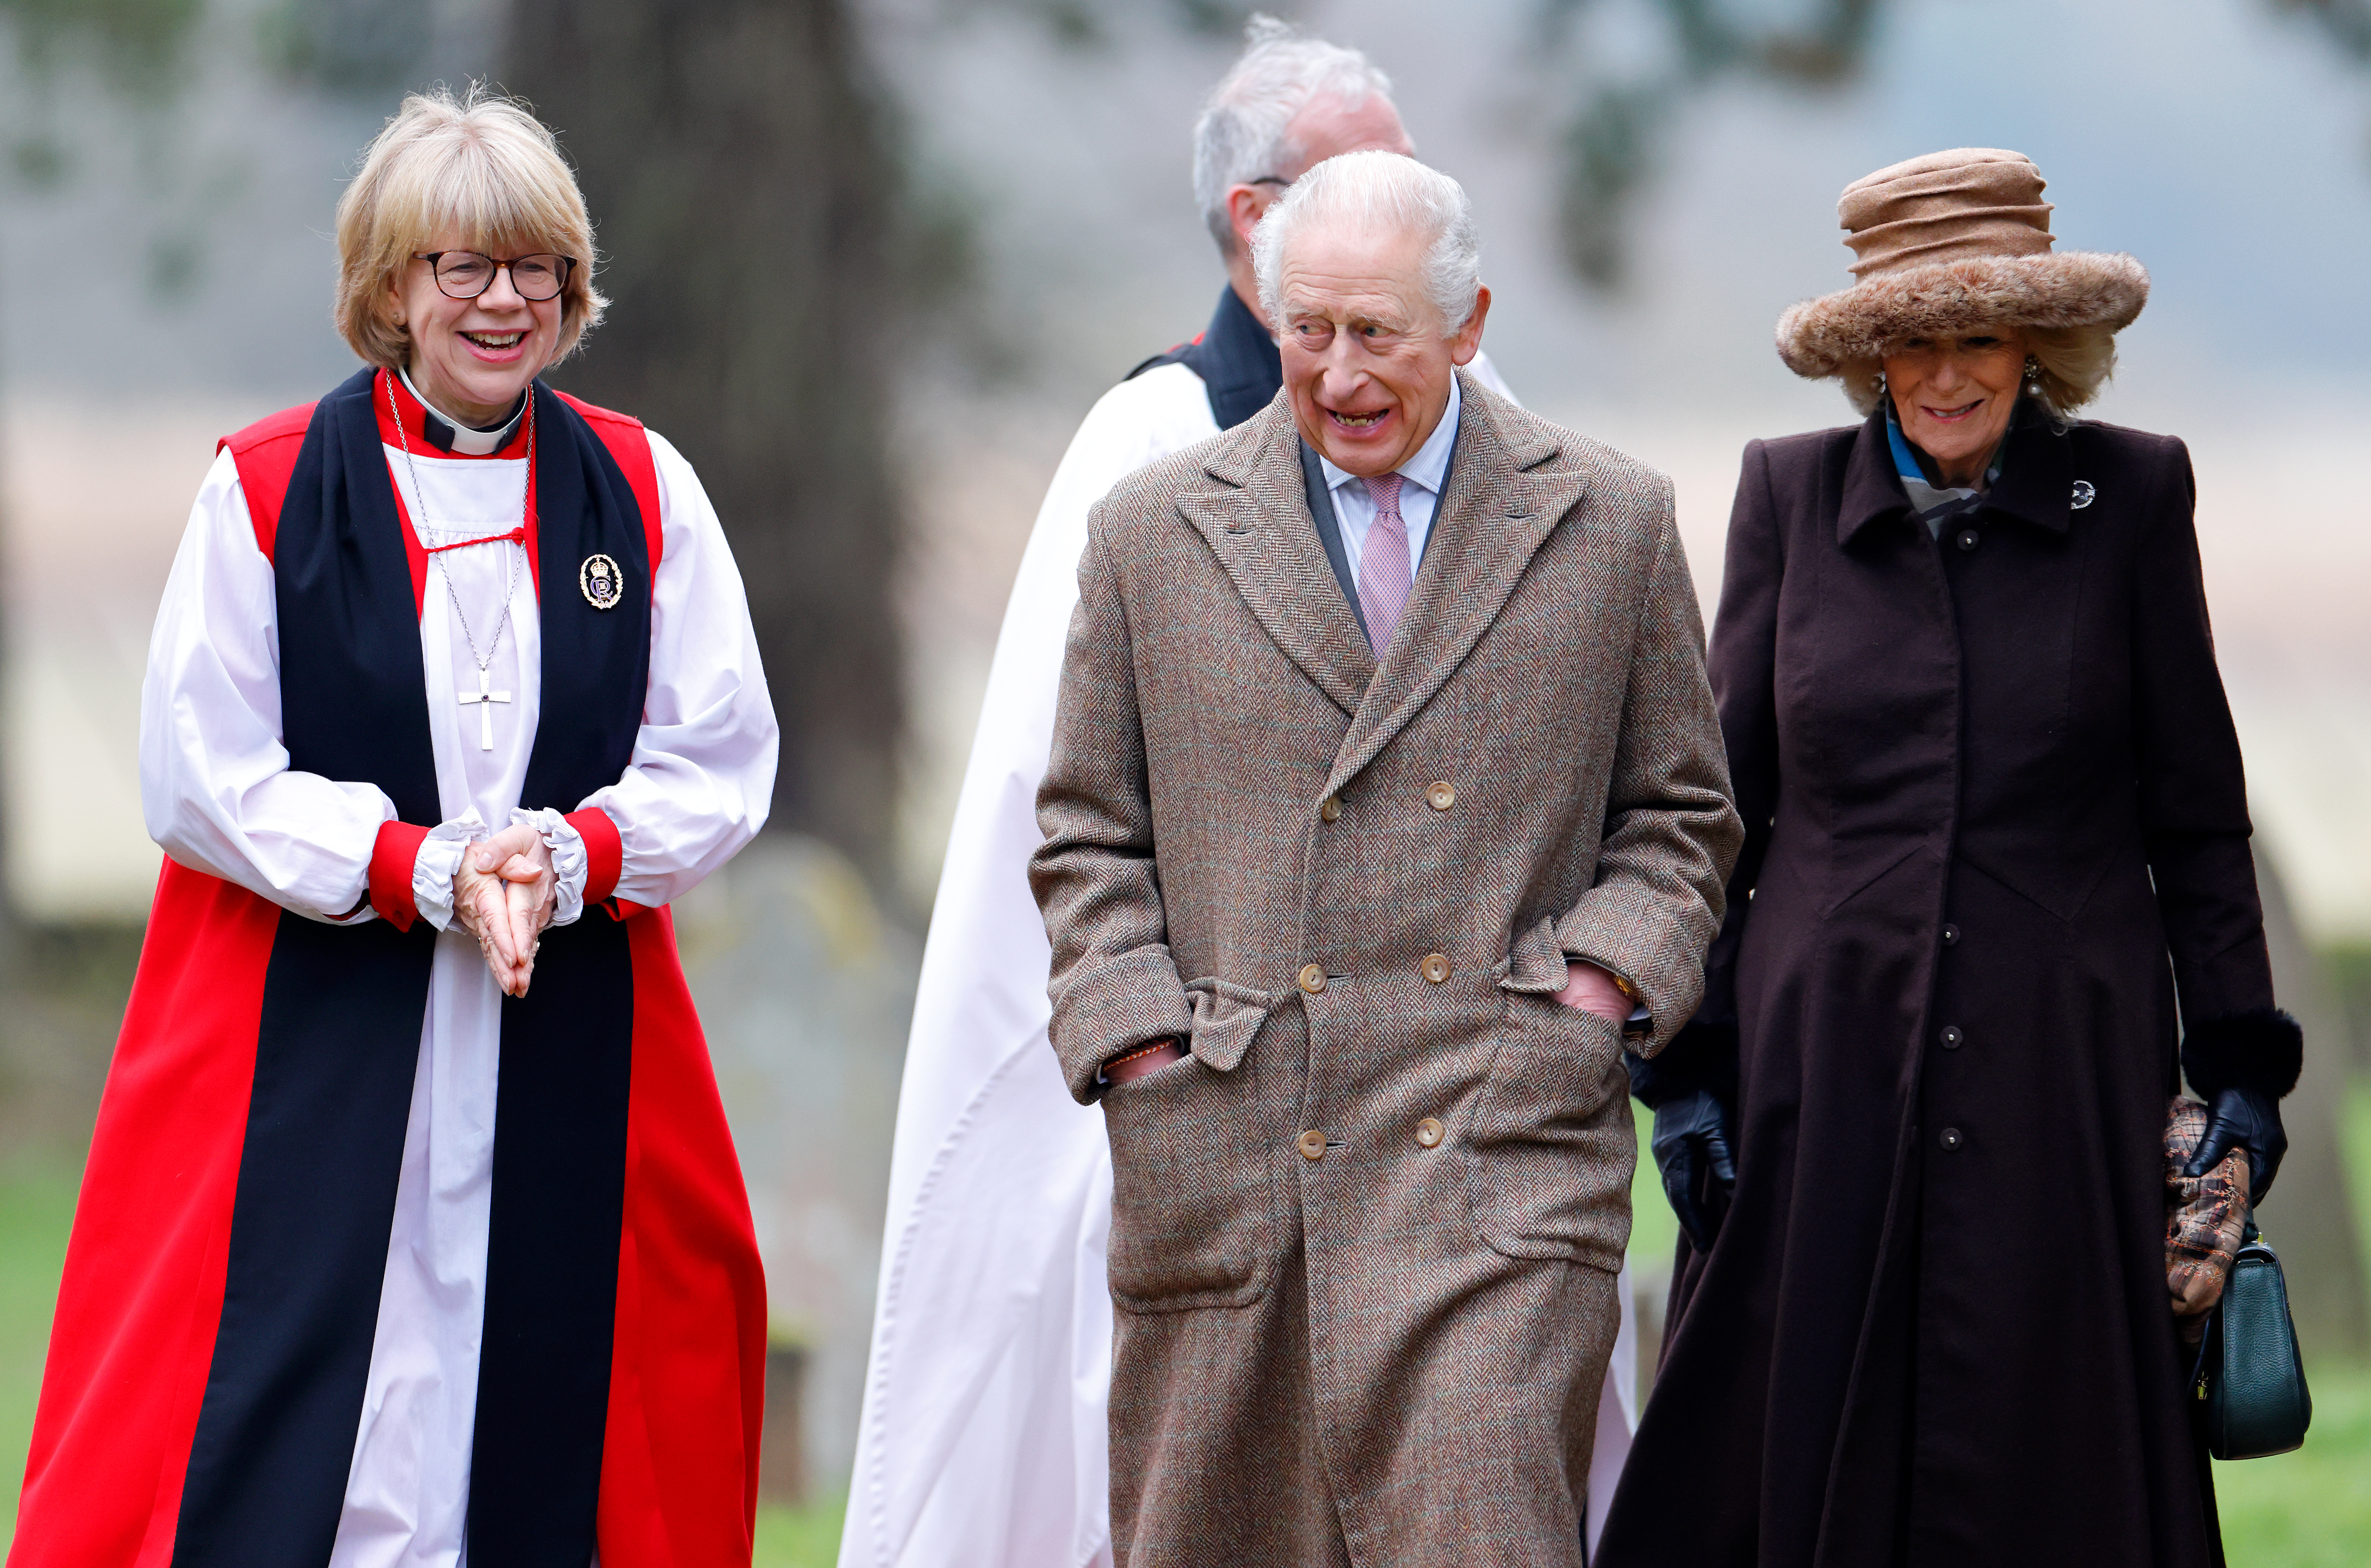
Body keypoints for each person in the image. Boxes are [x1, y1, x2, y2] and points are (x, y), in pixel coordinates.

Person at [837, 20, 1634, 1568]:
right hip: (1220, 1118)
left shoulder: (1513, 440)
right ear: (1256, 222)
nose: (1409, 200)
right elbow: (1053, 805)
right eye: (1367, 168)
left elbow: (1638, 775)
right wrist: (1141, 1059)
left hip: (1478, 1130)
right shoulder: (1147, 455)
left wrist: (1586, 999)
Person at [12, 88, 778, 1566]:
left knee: (551, 1404)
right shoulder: (270, 485)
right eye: (462, 268)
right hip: (318, 1030)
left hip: (567, 1019)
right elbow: (201, 768)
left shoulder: (640, 487)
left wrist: (561, 860)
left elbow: (720, 753)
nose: (504, 302)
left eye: (534, 267)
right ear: (390, 288)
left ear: (570, 285)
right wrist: (416, 867)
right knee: (325, 1427)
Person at [1031, 150, 1740, 1566]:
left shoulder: (1608, 522)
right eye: (1309, 330)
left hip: (1498, 1154)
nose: (1339, 374)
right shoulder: (1150, 536)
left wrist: (1598, 995)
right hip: (1229, 1158)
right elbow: (1088, 832)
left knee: (1483, 1532)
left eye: (1378, 335)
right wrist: (1139, 1051)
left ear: (1468, 325)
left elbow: (1680, 818)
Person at [1596, 148, 2301, 1568]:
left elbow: (2196, 813)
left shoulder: (2136, 496)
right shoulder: (1787, 495)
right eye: (1908, 341)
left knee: (2052, 1426)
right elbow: (1722, 809)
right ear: (1867, 357)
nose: (1945, 374)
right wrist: (1685, 1070)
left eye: (1976, 335)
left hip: (2066, 1050)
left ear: (2040, 342)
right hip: (1821, 1055)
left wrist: (2236, 1064)